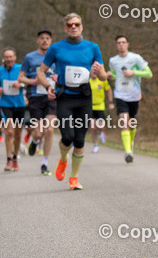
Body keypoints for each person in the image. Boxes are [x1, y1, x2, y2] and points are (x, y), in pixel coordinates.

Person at [37, 13, 108, 190]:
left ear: (81, 27)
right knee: (67, 137)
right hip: (64, 97)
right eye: (70, 25)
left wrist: (98, 71)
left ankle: (74, 178)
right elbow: (41, 72)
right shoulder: (55, 48)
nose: (73, 27)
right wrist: (48, 87)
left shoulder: (92, 48)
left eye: (76, 24)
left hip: (84, 97)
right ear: (65, 28)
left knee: (80, 140)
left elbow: (104, 76)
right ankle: (62, 160)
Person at [107, 35, 152, 163]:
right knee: (124, 122)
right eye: (118, 43)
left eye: (123, 42)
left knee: (132, 124)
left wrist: (134, 72)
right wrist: (111, 75)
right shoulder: (113, 61)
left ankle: (130, 144)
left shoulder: (136, 58)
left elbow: (149, 73)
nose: (121, 45)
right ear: (116, 45)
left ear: (128, 44)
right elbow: (115, 74)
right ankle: (128, 152)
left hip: (134, 95)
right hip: (120, 95)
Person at [19, 30, 58, 175]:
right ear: (37, 41)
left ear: (51, 41)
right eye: (42, 38)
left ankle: (44, 163)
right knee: (39, 132)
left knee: (49, 130)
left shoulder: (56, 57)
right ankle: (35, 142)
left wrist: (57, 79)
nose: (45, 41)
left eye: (48, 38)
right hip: (35, 97)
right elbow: (21, 77)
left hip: (52, 97)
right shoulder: (30, 57)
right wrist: (33, 81)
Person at [0, 48, 26, 172]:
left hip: (19, 104)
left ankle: (15, 158)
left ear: (15, 58)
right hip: (6, 104)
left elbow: (28, 82)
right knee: (9, 132)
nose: (9, 59)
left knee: (17, 134)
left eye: (11, 57)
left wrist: (21, 85)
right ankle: (8, 159)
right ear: (4, 59)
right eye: (6, 57)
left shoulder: (21, 68)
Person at [89, 68, 110, 152]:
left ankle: (100, 132)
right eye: (92, 71)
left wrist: (111, 102)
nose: (94, 73)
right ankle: (95, 145)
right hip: (90, 107)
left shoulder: (102, 80)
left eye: (95, 71)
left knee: (100, 126)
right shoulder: (87, 81)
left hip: (100, 106)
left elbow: (109, 90)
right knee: (93, 127)